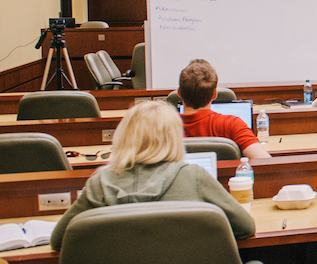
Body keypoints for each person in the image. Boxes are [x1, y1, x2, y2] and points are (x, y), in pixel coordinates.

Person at [50, 101, 256, 249]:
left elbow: (59, 240)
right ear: (175, 137)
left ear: (124, 136)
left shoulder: (100, 184)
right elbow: (245, 227)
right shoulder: (193, 176)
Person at [178, 59, 270, 159]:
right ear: (215, 95)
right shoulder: (232, 125)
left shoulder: (162, 128)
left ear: (179, 93)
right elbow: (264, 162)